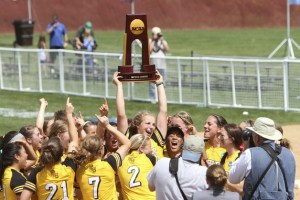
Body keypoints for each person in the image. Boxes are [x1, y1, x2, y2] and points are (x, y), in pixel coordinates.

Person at [20, 97, 79, 200]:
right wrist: (69, 114)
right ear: (60, 153)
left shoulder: (37, 172)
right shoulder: (68, 168)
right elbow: (74, 141)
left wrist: (42, 106)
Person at [229, 117, 295, 200]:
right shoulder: (289, 154)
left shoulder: (250, 154)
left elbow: (233, 178)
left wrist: (246, 148)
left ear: (257, 137)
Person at [113, 70, 168, 160]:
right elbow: (121, 114)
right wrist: (119, 85)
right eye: (148, 123)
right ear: (137, 124)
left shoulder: (156, 139)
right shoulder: (128, 139)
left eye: (153, 124)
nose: (152, 127)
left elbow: (163, 110)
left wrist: (159, 83)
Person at [75, 115, 131, 200]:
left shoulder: (80, 171)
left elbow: (79, 197)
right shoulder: (109, 165)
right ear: (101, 150)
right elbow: (127, 143)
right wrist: (107, 126)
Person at [147, 135, 208, 200]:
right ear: (201, 154)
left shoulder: (161, 163)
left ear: (182, 148)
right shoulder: (204, 173)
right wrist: (204, 160)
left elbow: (151, 187)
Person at [118, 134, 156, 200]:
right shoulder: (150, 159)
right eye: (150, 147)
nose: (151, 150)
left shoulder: (120, 161)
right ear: (141, 148)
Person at [0, 131, 37, 200]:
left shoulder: (8, 171)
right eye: (25, 152)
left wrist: (25, 144)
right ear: (17, 156)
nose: (27, 155)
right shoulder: (16, 178)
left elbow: (34, 159)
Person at [149, 26, 169, 103]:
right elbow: (149, 50)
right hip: (153, 65)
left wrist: (162, 40)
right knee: (152, 83)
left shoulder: (162, 42)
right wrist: (154, 40)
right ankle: (153, 99)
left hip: (162, 65)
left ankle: (163, 98)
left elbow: (167, 49)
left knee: (163, 82)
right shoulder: (150, 41)